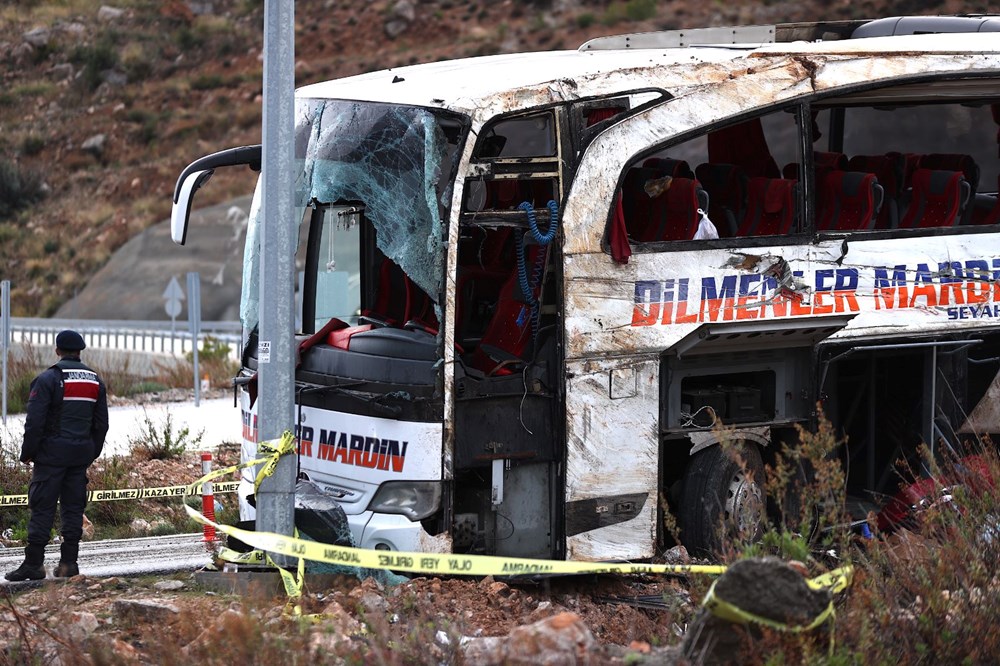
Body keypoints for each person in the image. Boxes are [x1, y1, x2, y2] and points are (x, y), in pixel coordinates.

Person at [5, 330, 109, 581]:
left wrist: (28, 453)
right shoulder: (95, 381)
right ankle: (69, 564)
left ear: (57, 350)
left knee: (42, 507)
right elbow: (101, 424)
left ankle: (33, 565)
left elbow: (35, 422)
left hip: (51, 457)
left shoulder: (48, 379)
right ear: (80, 351)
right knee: (73, 509)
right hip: (79, 457)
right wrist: (89, 452)